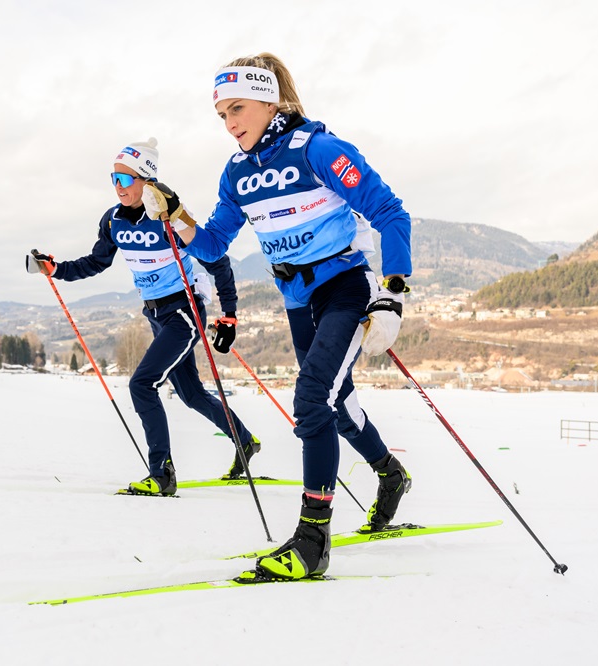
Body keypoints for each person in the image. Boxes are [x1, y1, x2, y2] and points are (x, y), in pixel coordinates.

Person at [141, 53, 413, 580]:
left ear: (270, 101)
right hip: (296, 299)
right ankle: (390, 473)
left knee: (312, 399)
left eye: (238, 108)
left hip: (342, 287)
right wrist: (177, 217)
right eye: (221, 114)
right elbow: (215, 242)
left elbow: (390, 212)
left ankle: (313, 538)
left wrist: (392, 293)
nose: (230, 123)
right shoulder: (237, 172)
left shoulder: (319, 149)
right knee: (336, 403)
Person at [27, 137, 261, 496]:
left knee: (141, 384)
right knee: (192, 394)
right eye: (114, 179)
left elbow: (218, 262)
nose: (118, 187)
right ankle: (244, 440)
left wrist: (229, 314)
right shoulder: (113, 221)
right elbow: (96, 262)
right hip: (155, 315)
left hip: (184, 311)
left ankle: (162, 473)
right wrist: (55, 269)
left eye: (125, 179)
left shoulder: (167, 218)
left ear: (145, 181)